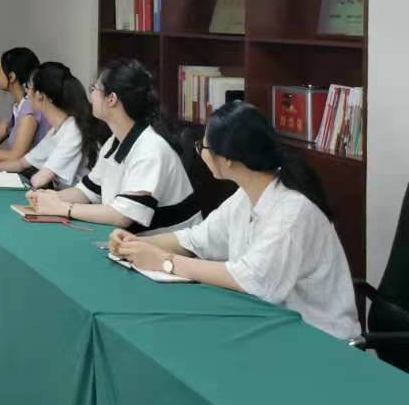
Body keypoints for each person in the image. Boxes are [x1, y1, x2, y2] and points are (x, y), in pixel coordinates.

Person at [109, 101, 357, 339]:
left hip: (318, 338)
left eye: (203, 147)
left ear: (227, 158)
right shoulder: (246, 196)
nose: (200, 153)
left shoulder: (291, 212)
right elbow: (197, 239)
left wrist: (166, 262)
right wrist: (138, 243)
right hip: (271, 324)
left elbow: (251, 279)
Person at [26, 58, 200, 233]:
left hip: (165, 246)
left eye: (94, 89)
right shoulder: (114, 142)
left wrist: (64, 208)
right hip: (131, 240)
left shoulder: (150, 149)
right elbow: (87, 191)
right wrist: (51, 198)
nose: (90, 96)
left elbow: (122, 216)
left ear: (111, 99)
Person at [0, 61, 97, 189]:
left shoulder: (72, 129)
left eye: (29, 88)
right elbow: (21, 163)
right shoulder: (56, 130)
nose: (27, 94)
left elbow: (40, 180)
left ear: (40, 95)